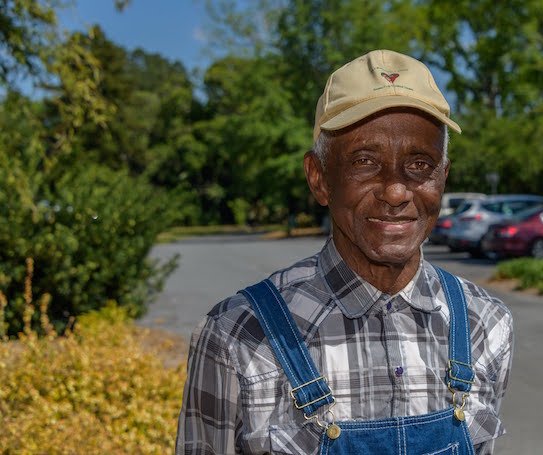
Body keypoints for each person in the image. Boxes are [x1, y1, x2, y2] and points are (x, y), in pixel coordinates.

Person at [176, 49, 514, 455]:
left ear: (443, 177)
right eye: (365, 161)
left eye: (420, 164)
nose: (395, 191)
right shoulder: (238, 336)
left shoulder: (485, 324)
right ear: (319, 178)